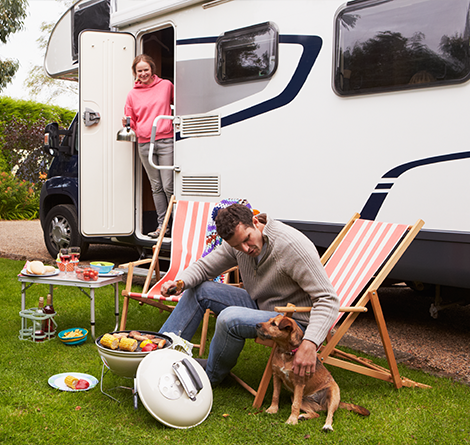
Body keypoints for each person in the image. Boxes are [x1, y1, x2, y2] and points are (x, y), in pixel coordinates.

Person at [159, 203, 340, 385]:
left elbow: (327, 299)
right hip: (261, 304)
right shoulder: (238, 243)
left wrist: (310, 342)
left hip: (293, 320)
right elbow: (205, 267)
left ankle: (209, 377)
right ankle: (158, 355)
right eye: (237, 246)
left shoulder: (291, 246)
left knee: (229, 317)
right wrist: (180, 282)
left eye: (247, 239)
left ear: (255, 221)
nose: (246, 249)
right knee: (199, 289)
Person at [123, 54, 174, 238]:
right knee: (156, 187)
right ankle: (163, 226)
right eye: (139, 71)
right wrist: (128, 125)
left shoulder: (166, 86)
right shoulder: (132, 94)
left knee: (169, 185)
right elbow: (132, 121)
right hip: (144, 144)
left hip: (166, 140)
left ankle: (176, 222)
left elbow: (182, 105)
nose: (143, 73)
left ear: (152, 69)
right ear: (135, 73)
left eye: (146, 69)